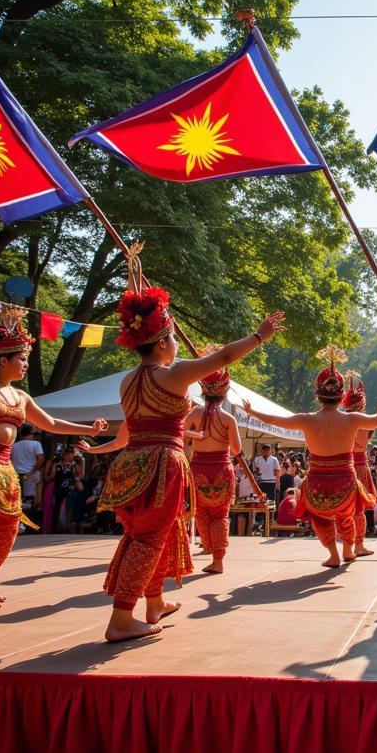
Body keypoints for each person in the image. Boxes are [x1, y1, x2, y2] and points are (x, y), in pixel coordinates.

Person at [83, 252, 285, 641]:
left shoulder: (127, 381)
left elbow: (130, 429)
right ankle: (121, 619)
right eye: (173, 337)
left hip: (132, 463)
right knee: (149, 537)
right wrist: (259, 335)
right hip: (162, 464)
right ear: (161, 344)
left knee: (153, 532)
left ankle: (154, 600)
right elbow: (222, 357)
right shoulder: (173, 376)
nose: (176, 344)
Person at [0, 310, 107, 612]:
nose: (26, 364)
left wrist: (88, 429)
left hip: (2, 467)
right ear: (4, 360)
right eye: (22, 359)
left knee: (8, 527)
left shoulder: (20, 396)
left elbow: (51, 423)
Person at [245, 346, 377, 568]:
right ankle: (348, 550)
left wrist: (253, 412)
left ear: (318, 394)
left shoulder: (307, 419)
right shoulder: (352, 419)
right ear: (341, 397)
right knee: (347, 516)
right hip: (346, 481)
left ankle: (334, 554)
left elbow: (275, 420)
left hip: (318, 482)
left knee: (319, 517)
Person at [185, 353, 240, 574]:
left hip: (198, 468)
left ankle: (210, 549)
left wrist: (193, 435)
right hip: (221, 468)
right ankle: (218, 558)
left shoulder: (194, 414)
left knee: (201, 513)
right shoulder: (228, 419)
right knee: (220, 514)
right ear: (223, 394)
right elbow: (236, 450)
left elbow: (178, 435)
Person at [340, 372, 376, 558]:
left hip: (344, 466)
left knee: (347, 509)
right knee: (358, 509)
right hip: (359, 466)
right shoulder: (365, 423)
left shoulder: (340, 421)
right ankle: (358, 545)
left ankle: (350, 544)